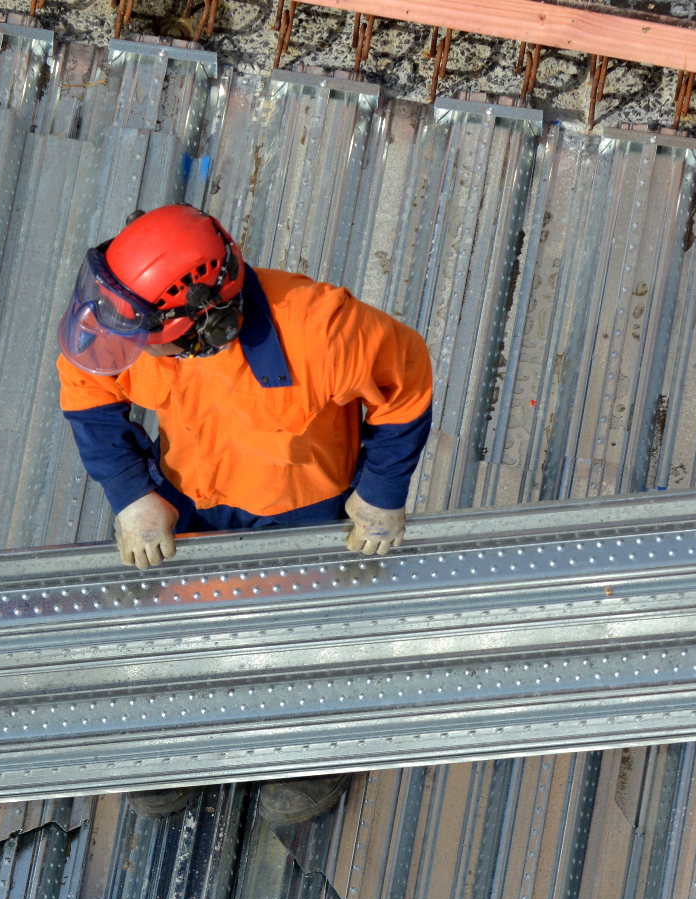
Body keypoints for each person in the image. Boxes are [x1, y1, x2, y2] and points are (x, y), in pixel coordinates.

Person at [56, 203, 435, 824]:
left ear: (199, 320)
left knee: (308, 635)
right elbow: (86, 382)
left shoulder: (319, 328)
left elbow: (407, 382)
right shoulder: (133, 323)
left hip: (305, 514)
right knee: (182, 627)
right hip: (191, 504)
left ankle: (312, 748)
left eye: (146, 338)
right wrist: (129, 492)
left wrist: (382, 492)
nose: (130, 346)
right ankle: (178, 742)